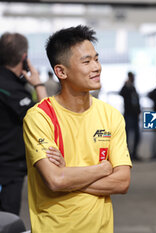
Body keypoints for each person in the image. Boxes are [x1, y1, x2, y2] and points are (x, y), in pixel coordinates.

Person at [23, 25, 132, 233]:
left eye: (97, 59)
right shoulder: (40, 117)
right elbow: (55, 180)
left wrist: (68, 176)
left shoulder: (111, 116)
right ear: (61, 71)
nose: (97, 67)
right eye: (87, 61)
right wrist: (102, 169)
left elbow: (122, 182)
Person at [0, 32, 47, 215]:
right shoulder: (10, 89)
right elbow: (44, 117)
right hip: (8, 170)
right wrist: (38, 84)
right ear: (24, 58)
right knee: (7, 220)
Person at [120, 71, 141, 161]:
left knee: (137, 135)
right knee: (127, 135)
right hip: (128, 114)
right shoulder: (126, 87)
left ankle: (134, 153)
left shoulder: (133, 87)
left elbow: (136, 100)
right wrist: (125, 85)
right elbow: (121, 93)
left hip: (135, 114)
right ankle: (127, 154)